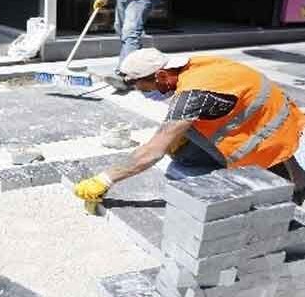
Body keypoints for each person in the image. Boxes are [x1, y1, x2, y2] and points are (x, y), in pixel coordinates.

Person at [74, 48, 305, 212]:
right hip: (277, 119)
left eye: (142, 87)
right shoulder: (194, 66)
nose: (142, 93)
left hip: (268, 136)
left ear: (161, 75)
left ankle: (289, 190)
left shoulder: (193, 96)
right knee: (182, 140)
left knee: (271, 200)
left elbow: (153, 151)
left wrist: (105, 179)